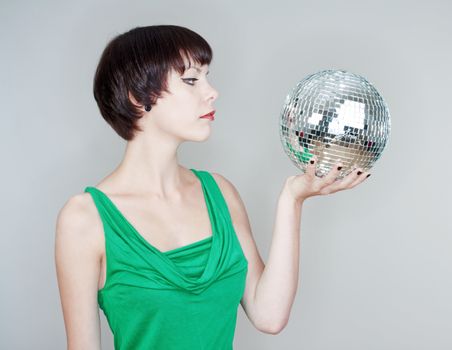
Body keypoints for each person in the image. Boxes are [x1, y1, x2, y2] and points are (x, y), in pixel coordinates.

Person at [54, 25, 370, 350]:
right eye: (192, 80)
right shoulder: (84, 219)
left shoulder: (220, 193)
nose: (212, 91)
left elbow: (269, 315)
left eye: (207, 77)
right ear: (138, 97)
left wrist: (293, 199)